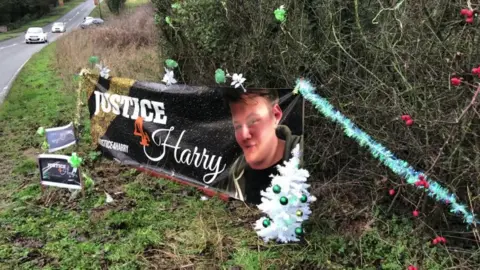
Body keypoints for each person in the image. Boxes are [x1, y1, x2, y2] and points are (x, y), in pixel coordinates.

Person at [215, 88, 303, 204]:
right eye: (238, 127)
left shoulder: (304, 154)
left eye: (253, 121)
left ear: (276, 115)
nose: (244, 135)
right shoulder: (232, 176)